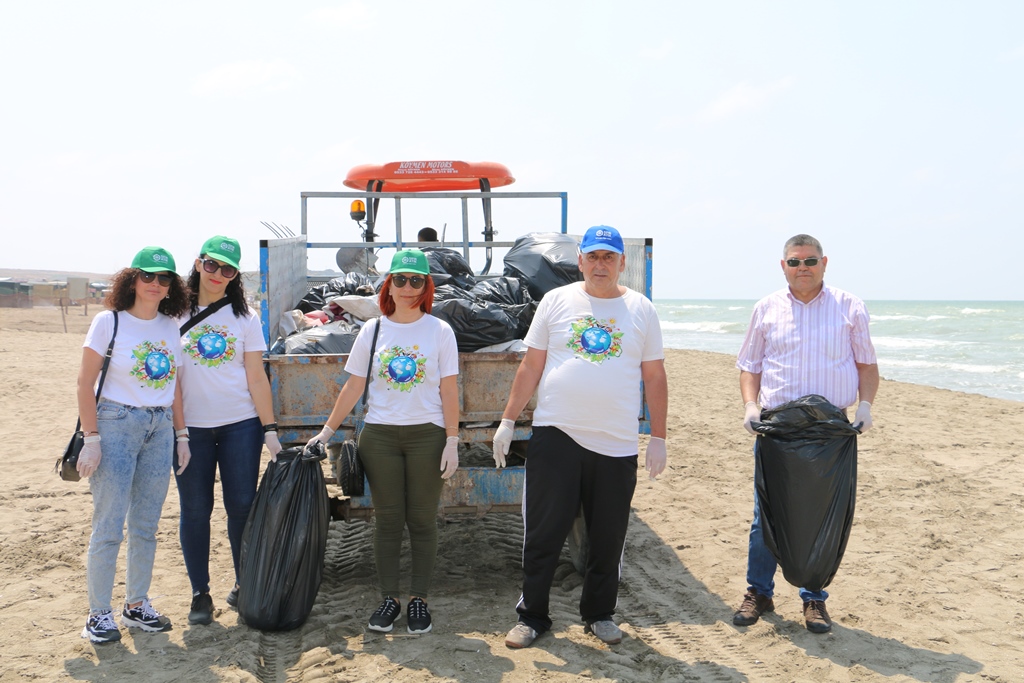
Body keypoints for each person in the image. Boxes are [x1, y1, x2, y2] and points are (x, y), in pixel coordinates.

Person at [492, 225, 668, 649]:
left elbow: (655, 376)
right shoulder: (556, 301)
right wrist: (508, 420)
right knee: (543, 535)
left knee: (607, 537)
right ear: (581, 262)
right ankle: (532, 616)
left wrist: (658, 436)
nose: (601, 264)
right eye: (594, 256)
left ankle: (600, 614)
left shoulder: (641, 310)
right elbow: (531, 366)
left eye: (609, 257)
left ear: (622, 263)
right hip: (558, 435)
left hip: (617, 441)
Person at [306, 248, 460, 634]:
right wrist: (326, 433)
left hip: (427, 435)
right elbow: (354, 385)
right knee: (388, 521)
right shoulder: (372, 330)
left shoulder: (440, 331)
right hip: (380, 437)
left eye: (417, 280)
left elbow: (450, 390)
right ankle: (389, 598)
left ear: (427, 286)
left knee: (423, 521)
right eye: (401, 279)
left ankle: (419, 602)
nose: (408, 287)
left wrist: (453, 440)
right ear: (388, 284)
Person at [732, 234, 878, 634]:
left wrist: (865, 407)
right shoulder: (766, 308)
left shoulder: (850, 307)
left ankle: (814, 599)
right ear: (783, 266)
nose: (803, 268)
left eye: (810, 261)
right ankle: (758, 591)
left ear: (825, 263)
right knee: (768, 514)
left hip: (832, 428)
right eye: (795, 262)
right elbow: (750, 365)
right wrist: (750, 406)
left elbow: (866, 365)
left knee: (819, 514)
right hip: (778, 426)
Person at [76, 246, 190, 644]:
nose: (156, 284)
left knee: (146, 525)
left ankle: (136, 604)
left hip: (158, 428)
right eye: (148, 276)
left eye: (165, 278)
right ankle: (99, 614)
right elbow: (84, 384)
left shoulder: (170, 325)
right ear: (132, 278)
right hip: (116, 424)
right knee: (109, 524)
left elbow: (174, 386)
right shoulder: (109, 322)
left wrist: (181, 434)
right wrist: (91, 439)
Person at [174, 235, 283, 626]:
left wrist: (269, 429)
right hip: (192, 430)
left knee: (241, 508)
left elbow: (256, 376)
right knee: (195, 511)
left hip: (241, 425)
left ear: (235, 275)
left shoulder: (245, 318)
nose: (218, 274)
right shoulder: (172, 314)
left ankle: (245, 583)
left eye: (228, 269)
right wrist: (180, 432)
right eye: (212, 265)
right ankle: (200, 594)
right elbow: (168, 379)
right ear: (199, 263)